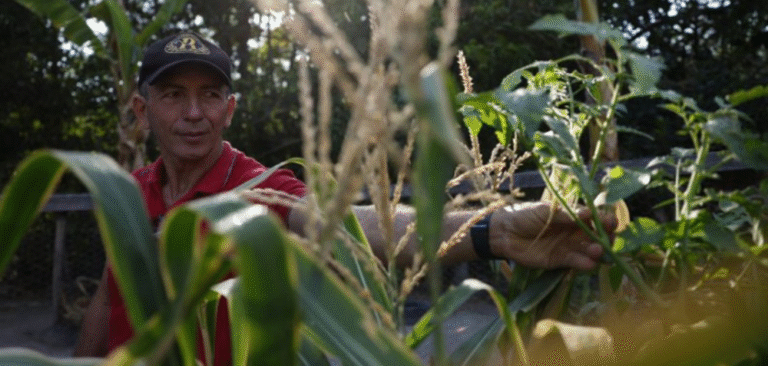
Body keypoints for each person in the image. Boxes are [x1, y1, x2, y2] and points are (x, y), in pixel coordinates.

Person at [73, 32, 612, 364]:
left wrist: (494, 230)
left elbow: (355, 224)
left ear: (229, 110)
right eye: (173, 96)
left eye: (209, 95)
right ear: (142, 112)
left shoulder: (257, 190)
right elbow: (107, 293)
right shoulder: (129, 191)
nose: (194, 113)